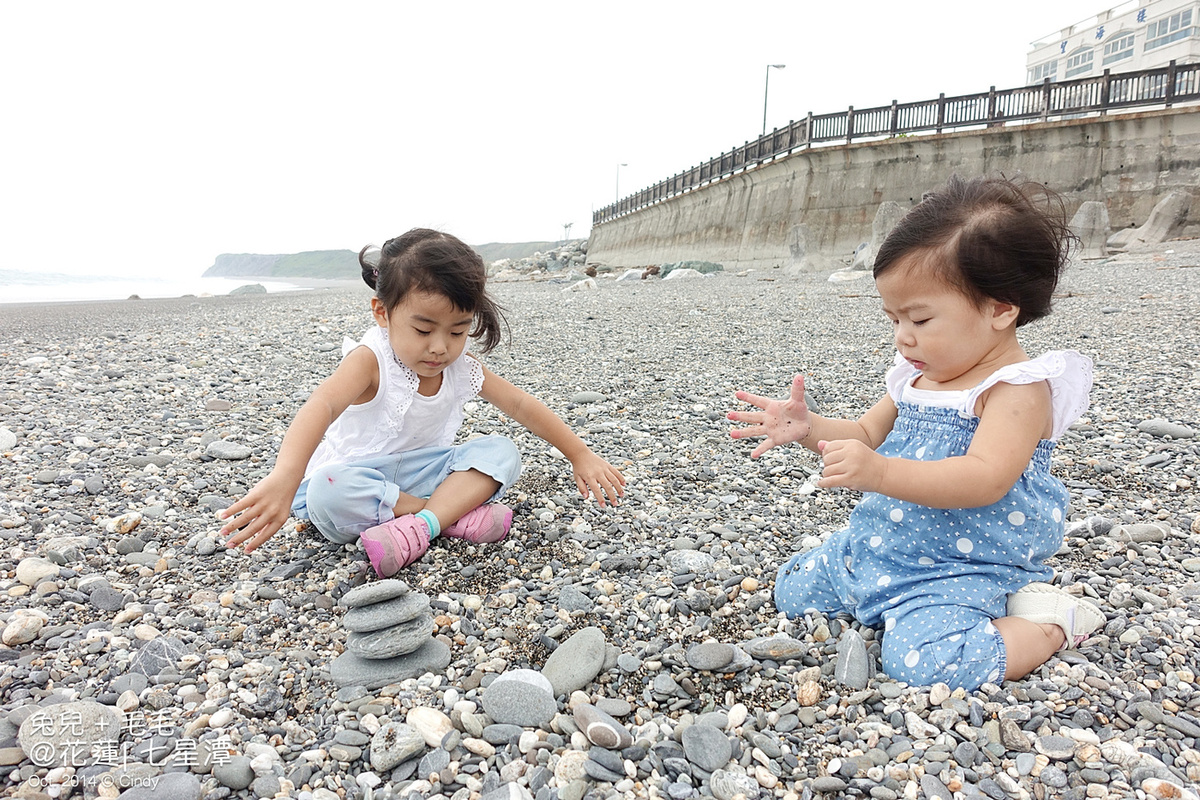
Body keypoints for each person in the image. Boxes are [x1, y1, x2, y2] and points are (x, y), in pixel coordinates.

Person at [728, 175, 1104, 690]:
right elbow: (864, 432)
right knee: (792, 591)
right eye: (894, 319)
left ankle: (1051, 623)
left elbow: (984, 478)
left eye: (921, 319)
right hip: (890, 542)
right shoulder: (917, 376)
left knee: (925, 664)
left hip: (963, 561)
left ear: (1001, 308)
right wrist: (807, 428)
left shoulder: (1015, 389)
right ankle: (877, 572)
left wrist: (880, 473)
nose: (904, 337)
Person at [219, 228, 625, 576]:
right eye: (423, 328)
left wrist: (579, 454)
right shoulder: (370, 360)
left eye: (457, 332)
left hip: (422, 471)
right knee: (327, 491)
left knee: (502, 451)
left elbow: (519, 405)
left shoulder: (460, 365)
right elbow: (321, 406)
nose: (439, 348)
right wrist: (286, 477)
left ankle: (423, 524)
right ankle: (449, 515)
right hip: (358, 479)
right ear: (383, 312)